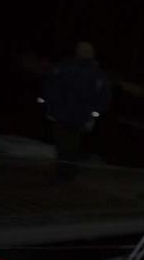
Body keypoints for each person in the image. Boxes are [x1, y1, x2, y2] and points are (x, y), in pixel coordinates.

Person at [42, 41, 111, 182]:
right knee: (63, 145)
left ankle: (67, 173)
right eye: (82, 50)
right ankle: (63, 172)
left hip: (80, 117)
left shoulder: (96, 73)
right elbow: (52, 88)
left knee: (72, 145)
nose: (85, 52)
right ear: (77, 51)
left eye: (88, 50)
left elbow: (103, 96)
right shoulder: (65, 67)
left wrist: (94, 115)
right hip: (63, 114)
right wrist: (50, 109)